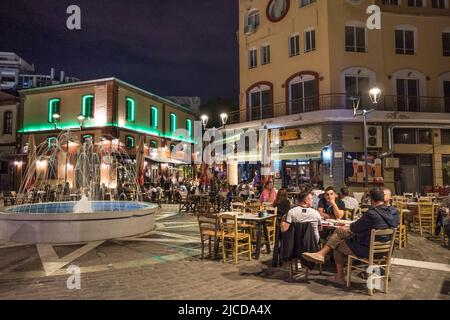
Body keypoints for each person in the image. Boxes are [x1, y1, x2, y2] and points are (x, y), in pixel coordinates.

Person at [302, 188, 397, 285]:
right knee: (340, 233)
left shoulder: (371, 214)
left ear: (372, 200)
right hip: (386, 250)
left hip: (367, 249)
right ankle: (321, 254)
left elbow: (354, 228)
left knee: (336, 246)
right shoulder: (393, 212)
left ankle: (339, 276)